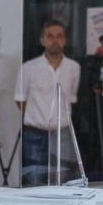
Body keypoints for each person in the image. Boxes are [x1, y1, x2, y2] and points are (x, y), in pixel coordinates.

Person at [14, 20, 81, 184]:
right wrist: (38, 118)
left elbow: (71, 99)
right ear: (42, 40)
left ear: (65, 40)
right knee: (34, 181)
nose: (55, 40)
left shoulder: (74, 68)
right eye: (50, 36)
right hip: (35, 133)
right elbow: (19, 100)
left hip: (63, 133)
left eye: (59, 36)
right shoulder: (28, 67)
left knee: (64, 181)